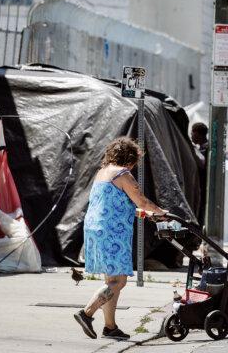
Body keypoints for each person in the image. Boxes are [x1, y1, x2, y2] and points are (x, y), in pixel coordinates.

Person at [74, 137, 167, 340]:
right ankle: (86, 313)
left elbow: (114, 205)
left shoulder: (102, 174)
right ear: (131, 159)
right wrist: (160, 212)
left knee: (111, 280)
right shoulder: (123, 173)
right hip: (112, 233)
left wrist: (145, 214)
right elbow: (141, 200)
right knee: (119, 281)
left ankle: (110, 327)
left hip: (95, 229)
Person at [191, 122, 209, 225]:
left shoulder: (206, 149)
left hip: (203, 186)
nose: (191, 136)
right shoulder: (203, 148)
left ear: (198, 134)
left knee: (201, 209)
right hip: (201, 185)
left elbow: (202, 165)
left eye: (192, 133)